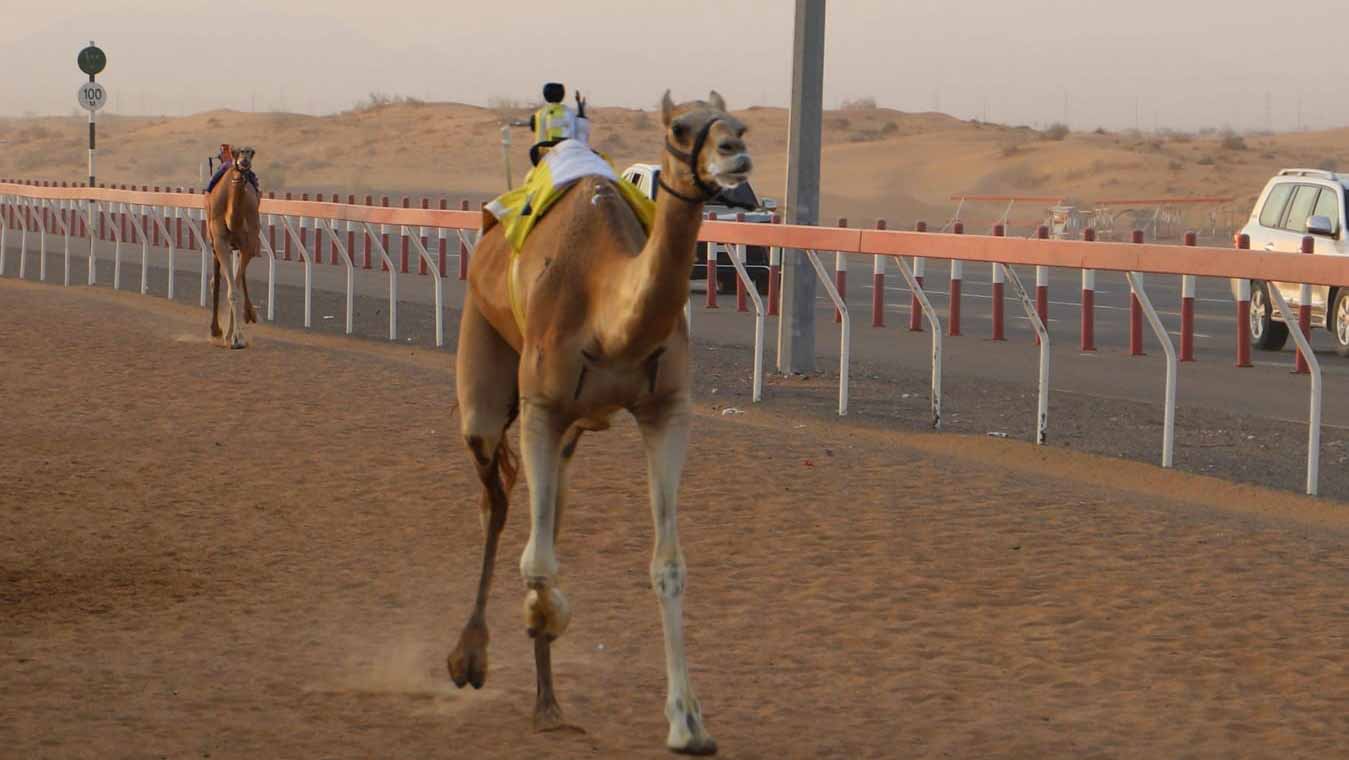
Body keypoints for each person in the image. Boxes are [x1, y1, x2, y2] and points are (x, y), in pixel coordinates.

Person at [528, 82, 590, 165]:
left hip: (545, 153)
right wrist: (580, 109)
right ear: (562, 95)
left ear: (545, 95)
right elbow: (582, 131)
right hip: (570, 149)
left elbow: (534, 128)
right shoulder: (570, 113)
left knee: (532, 152)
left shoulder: (538, 114)